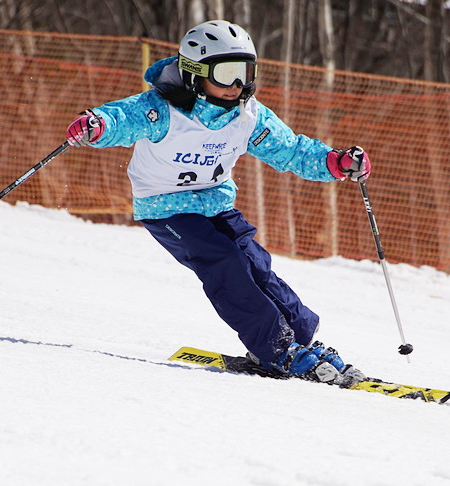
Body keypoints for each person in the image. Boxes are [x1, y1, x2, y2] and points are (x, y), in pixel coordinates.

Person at [66, 20, 371, 384]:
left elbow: (289, 150)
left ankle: (299, 339)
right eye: (227, 74)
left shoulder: (248, 114)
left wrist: (333, 162)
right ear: (195, 73)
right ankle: (274, 348)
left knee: (256, 265)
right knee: (223, 262)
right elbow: (121, 118)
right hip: (167, 209)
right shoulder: (161, 109)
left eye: (245, 73)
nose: (237, 85)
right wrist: (96, 124)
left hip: (216, 205)